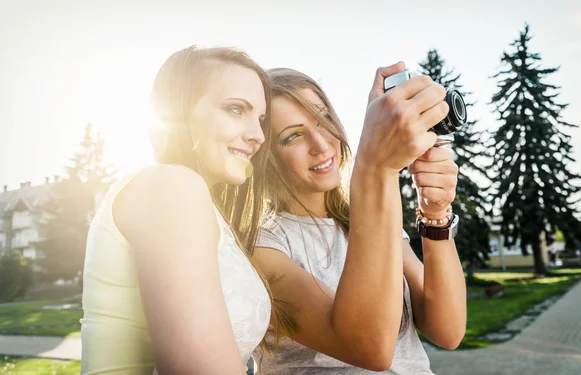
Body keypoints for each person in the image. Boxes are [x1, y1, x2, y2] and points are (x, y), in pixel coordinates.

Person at [80, 46, 289, 374]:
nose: (258, 136)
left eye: (260, 119)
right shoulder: (170, 186)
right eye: (235, 109)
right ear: (179, 112)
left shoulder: (198, 202)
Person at [251, 67, 467, 374]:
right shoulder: (261, 245)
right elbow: (368, 348)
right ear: (264, 155)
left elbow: (448, 330)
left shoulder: (364, 221)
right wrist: (376, 167)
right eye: (293, 135)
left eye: (323, 118)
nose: (321, 144)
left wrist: (435, 216)